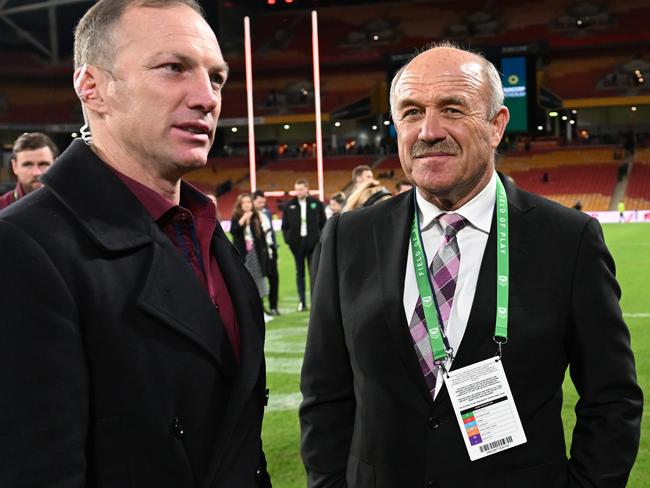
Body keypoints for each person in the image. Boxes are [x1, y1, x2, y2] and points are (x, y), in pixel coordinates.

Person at [300, 42, 642, 488]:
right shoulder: (348, 237)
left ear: (497, 125)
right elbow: (325, 397)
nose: (428, 130)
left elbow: (612, 398)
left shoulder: (568, 239)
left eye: (453, 109)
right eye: (410, 112)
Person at [0, 1, 271, 486]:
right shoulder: (24, 247)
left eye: (217, 78)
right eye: (174, 68)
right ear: (92, 87)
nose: (207, 97)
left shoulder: (203, 229)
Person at [281, 178, 326, 311]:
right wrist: (288, 240)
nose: (298, 192)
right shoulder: (289, 205)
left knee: (314, 273)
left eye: (301, 189)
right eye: (297, 189)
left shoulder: (317, 204)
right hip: (297, 245)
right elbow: (285, 226)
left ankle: (315, 302)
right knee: (299, 273)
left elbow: (323, 223)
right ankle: (302, 302)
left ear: (307, 189)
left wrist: (320, 239)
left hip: (313, 244)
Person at [0, 132, 58, 210]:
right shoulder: (2, 208)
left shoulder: (71, 206)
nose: (36, 173)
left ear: (56, 164)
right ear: (15, 167)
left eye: (43, 164)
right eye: (28, 165)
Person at [230, 193, 270, 301]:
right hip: (243, 256)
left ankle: (261, 310)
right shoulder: (236, 217)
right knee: (245, 284)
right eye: (244, 202)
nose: (247, 204)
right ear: (240, 204)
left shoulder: (256, 217)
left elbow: (261, 238)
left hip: (256, 255)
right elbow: (233, 231)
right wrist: (243, 219)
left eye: (249, 202)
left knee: (258, 284)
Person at [253, 190, 280, 316]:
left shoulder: (267, 213)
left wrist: (275, 250)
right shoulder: (251, 216)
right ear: (253, 201)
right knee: (261, 280)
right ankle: (261, 308)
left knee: (274, 279)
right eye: (259, 202)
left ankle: (274, 307)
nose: (262, 204)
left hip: (271, 251)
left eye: (263, 202)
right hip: (259, 253)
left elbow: (272, 233)